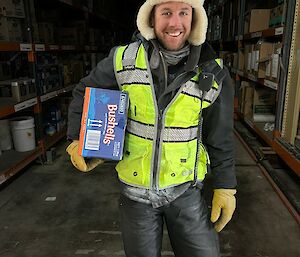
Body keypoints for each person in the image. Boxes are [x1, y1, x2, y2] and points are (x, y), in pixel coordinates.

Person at [66, 0, 237, 256]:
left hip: (186, 191)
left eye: (183, 13)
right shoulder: (122, 60)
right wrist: (77, 139)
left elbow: (220, 136)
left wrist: (225, 186)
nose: (175, 23)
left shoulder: (212, 71)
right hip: (135, 195)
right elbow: (86, 91)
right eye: (166, 12)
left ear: (195, 19)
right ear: (151, 18)